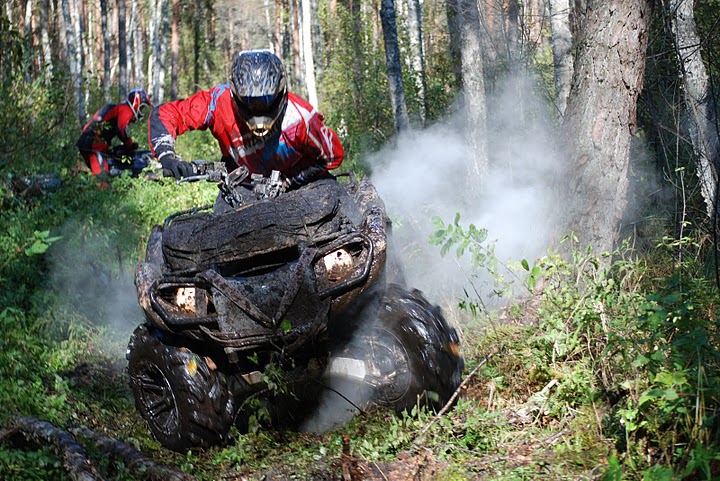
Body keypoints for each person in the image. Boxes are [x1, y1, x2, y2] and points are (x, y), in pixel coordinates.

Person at [148, 49, 344, 186]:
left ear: (280, 93)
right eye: (250, 104)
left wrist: (290, 181)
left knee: (338, 205)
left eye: (266, 103)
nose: (258, 114)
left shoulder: (301, 116)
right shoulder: (217, 102)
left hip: (301, 183)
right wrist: (167, 155)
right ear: (235, 95)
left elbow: (333, 155)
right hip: (244, 186)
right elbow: (166, 113)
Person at [77, 88, 153, 177]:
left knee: (99, 177)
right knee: (102, 178)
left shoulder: (116, 108)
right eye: (142, 107)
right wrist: (130, 145)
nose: (142, 111)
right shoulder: (126, 110)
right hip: (94, 146)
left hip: (88, 142)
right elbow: (121, 129)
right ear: (137, 103)